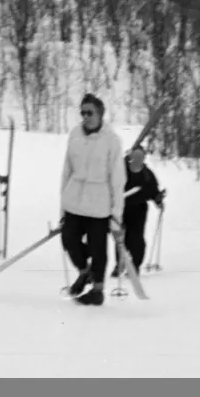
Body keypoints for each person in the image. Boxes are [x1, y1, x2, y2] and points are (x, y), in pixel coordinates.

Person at [59, 93, 125, 306]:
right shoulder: (75, 135)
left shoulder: (111, 140)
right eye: (83, 112)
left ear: (100, 114)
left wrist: (116, 214)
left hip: (99, 203)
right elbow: (67, 171)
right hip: (74, 201)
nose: (85, 117)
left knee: (98, 248)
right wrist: (62, 207)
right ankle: (84, 271)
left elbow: (117, 179)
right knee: (69, 240)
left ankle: (97, 290)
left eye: (90, 112)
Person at [111, 145, 165, 278]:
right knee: (120, 239)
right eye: (135, 157)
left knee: (136, 239)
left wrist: (158, 200)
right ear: (130, 157)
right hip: (120, 208)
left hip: (139, 210)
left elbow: (153, 190)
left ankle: (134, 266)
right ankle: (120, 264)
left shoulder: (147, 174)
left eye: (140, 157)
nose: (137, 160)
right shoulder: (121, 171)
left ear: (144, 158)